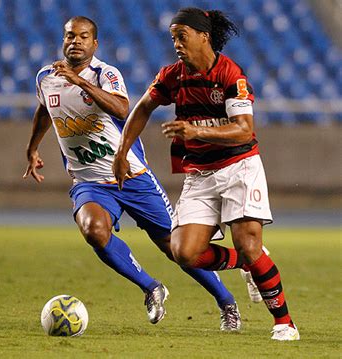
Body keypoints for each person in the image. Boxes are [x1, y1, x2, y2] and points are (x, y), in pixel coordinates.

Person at [24, 16, 243, 330]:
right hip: (89, 181)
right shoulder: (46, 77)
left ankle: (227, 303)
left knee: (176, 248)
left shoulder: (105, 74)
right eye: (70, 36)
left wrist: (81, 83)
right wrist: (32, 148)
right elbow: (45, 109)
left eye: (83, 36)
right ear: (63, 39)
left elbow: (122, 109)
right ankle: (151, 288)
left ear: (94, 43)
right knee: (93, 230)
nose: (76, 41)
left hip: (133, 176)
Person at [113, 8, 299, 341]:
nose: (176, 44)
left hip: (239, 167)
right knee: (184, 252)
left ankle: (284, 323)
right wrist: (122, 151)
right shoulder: (172, 76)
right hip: (199, 173)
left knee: (248, 242)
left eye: (181, 36)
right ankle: (247, 263)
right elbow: (142, 108)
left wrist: (195, 132)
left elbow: (244, 131)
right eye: (172, 37)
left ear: (203, 36)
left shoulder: (230, 75)